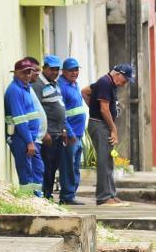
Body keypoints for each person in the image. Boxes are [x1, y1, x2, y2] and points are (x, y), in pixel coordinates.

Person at [88, 64, 134, 206]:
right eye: (125, 80)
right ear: (117, 74)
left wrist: (92, 107)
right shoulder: (105, 83)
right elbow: (104, 109)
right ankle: (103, 197)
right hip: (100, 125)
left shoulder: (108, 84)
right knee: (103, 161)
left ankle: (111, 194)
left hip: (103, 125)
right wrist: (113, 129)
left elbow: (85, 91)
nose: (125, 83)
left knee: (108, 160)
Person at [4, 57, 46, 198]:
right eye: (24, 72)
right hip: (21, 138)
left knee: (37, 168)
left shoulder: (26, 88)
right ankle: (27, 199)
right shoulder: (15, 90)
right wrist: (29, 142)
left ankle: (37, 198)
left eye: (30, 72)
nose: (28, 75)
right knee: (26, 171)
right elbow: (20, 120)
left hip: (31, 138)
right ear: (16, 73)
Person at [34, 55, 73, 203]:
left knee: (54, 167)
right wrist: (43, 132)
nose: (55, 72)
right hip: (48, 135)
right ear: (44, 68)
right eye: (52, 69)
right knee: (47, 167)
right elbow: (37, 110)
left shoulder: (54, 84)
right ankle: (45, 196)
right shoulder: (38, 85)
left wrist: (63, 129)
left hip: (58, 134)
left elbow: (60, 107)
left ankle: (48, 195)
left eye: (57, 69)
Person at [57, 58, 88, 205]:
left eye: (76, 70)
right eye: (71, 70)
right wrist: (69, 132)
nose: (74, 73)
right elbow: (61, 113)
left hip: (78, 134)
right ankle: (67, 196)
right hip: (70, 136)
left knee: (75, 166)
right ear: (63, 71)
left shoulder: (74, 84)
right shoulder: (61, 86)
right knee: (68, 166)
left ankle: (71, 194)